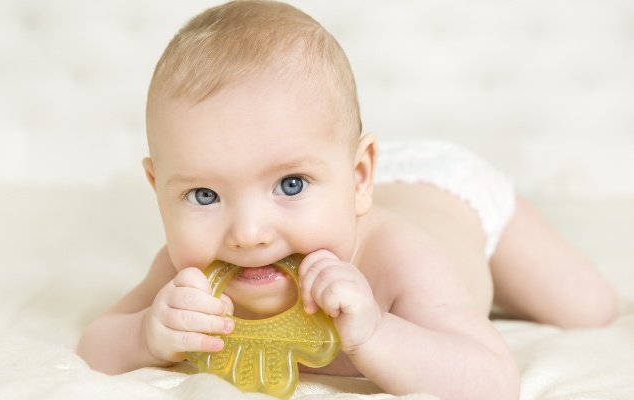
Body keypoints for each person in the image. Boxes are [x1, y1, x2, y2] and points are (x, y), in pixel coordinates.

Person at [76, 1, 618, 399]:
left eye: (290, 185)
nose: (248, 232)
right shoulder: (185, 276)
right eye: (204, 194)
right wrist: (145, 337)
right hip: (347, 170)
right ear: (157, 191)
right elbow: (94, 344)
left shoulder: (400, 261)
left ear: (359, 177)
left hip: (452, 197)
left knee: (588, 307)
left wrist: (377, 334)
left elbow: (491, 381)